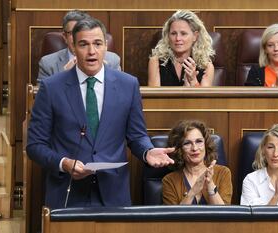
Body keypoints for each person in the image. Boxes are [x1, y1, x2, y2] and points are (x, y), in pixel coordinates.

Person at [27, 17, 174, 209]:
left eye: (97, 44)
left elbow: (136, 135)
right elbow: (35, 145)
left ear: (106, 46)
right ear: (73, 47)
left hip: (113, 194)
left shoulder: (128, 85)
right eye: (83, 44)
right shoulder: (51, 87)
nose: (91, 51)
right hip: (67, 194)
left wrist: (147, 151)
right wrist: (63, 163)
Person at [37, 10, 121, 84]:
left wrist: (105, 72)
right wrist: (64, 76)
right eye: (72, 33)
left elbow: (120, 95)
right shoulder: (48, 64)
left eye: (82, 31)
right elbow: (43, 98)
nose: (77, 37)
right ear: (65, 37)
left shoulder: (112, 60)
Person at [162, 120, 232, 204]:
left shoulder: (223, 173)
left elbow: (223, 214)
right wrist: (193, 192)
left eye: (199, 141)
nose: (194, 148)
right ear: (179, 149)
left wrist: (210, 184)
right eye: (187, 143)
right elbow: (174, 216)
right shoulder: (169, 180)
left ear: (206, 144)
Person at [148, 10, 215, 87]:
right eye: (173, 33)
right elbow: (154, 97)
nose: (178, 38)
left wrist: (193, 81)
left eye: (183, 34)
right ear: (168, 36)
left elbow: (205, 98)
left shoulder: (206, 66)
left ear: (195, 36)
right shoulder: (155, 62)